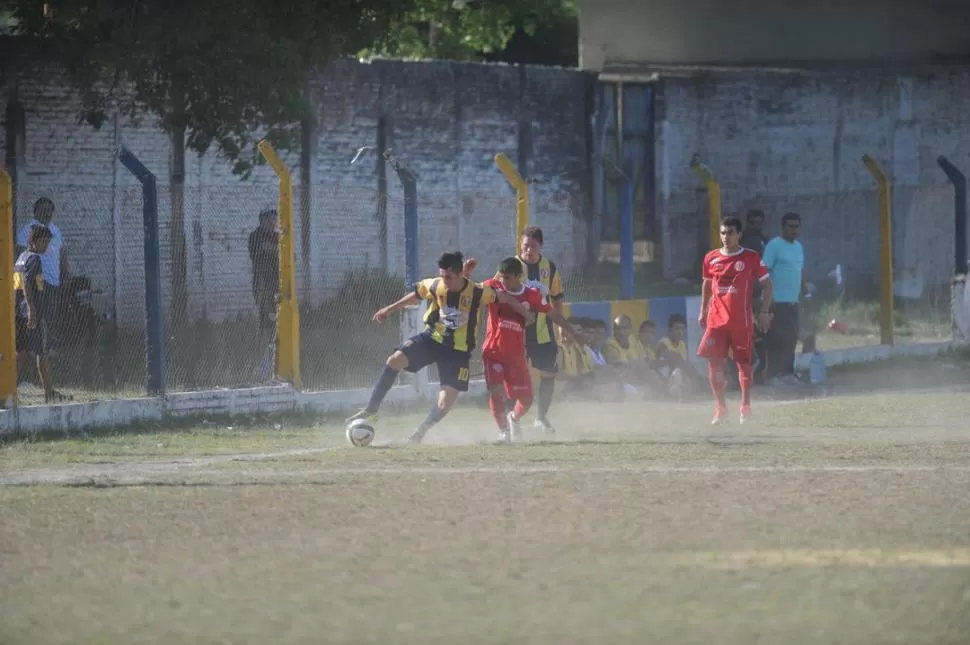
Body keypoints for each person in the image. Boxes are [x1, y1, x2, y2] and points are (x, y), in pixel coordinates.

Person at [347, 251, 534, 445]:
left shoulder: (479, 292)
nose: (445, 281)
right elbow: (416, 295)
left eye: (449, 277)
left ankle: (419, 433)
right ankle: (371, 410)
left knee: (445, 402)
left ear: (460, 274)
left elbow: (506, 298)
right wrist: (390, 309)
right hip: (433, 339)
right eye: (442, 275)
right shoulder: (435, 284)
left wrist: (527, 315)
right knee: (394, 360)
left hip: (458, 352)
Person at [481, 257, 578, 443]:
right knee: (495, 390)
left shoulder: (532, 295)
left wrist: (570, 329)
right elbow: (470, 289)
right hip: (493, 351)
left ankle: (513, 418)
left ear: (519, 277)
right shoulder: (492, 286)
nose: (503, 281)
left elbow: (552, 313)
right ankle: (503, 432)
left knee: (526, 400)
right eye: (501, 277)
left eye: (507, 277)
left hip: (516, 355)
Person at [698, 216, 773, 425]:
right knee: (714, 362)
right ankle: (720, 408)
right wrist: (703, 310)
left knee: (743, 363)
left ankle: (745, 407)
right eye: (722, 232)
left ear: (739, 234)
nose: (725, 237)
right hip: (716, 320)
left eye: (730, 232)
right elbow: (706, 285)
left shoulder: (750, 257)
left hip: (741, 321)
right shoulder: (710, 258)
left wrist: (765, 311)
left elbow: (767, 285)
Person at [510, 227, 565, 434]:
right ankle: (511, 420)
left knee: (549, 374)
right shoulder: (510, 265)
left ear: (541, 246)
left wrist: (561, 326)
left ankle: (541, 418)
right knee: (514, 377)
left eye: (533, 246)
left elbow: (557, 299)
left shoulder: (549, 267)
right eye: (525, 246)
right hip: (516, 333)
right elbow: (497, 294)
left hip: (543, 331)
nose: (528, 250)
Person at [16, 198, 69, 351]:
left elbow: (62, 252)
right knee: (37, 314)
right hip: (37, 281)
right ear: (36, 211)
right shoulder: (28, 230)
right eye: (43, 209)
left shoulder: (55, 229)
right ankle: (35, 348)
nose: (46, 213)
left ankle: (46, 347)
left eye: (49, 210)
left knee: (50, 315)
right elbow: (20, 256)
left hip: (54, 281)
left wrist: (66, 272)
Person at [762, 212, 806, 387]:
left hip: (792, 301)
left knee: (791, 338)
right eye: (790, 226)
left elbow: (799, 272)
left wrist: (804, 293)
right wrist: (766, 299)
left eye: (796, 226)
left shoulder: (798, 247)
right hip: (775, 301)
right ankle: (773, 375)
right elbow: (764, 272)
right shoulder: (774, 246)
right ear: (783, 227)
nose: (793, 230)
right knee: (776, 338)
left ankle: (788, 373)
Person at [14, 225, 56, 403]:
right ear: (35, 241)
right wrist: (31, 309)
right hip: (31, 313)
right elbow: (27, 284)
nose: (46, 245)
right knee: (41, 351)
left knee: (21, 352)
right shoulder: (34, 259)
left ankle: (8, 389)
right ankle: (49, 392)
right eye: (45, 241)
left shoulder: (20, 258)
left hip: (18, 312)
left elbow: (17, 284)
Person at [248, 209, 279, 381]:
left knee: (276, 328)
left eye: (274, 220)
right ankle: (260, 366)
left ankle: (274, 365)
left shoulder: (277, 236)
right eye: (268, 220)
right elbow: (267, 249)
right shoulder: (255, 236)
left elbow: (291, 256)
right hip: (263, 288)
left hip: (278, 288)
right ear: (262, 221)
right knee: (265, 327)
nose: (272, 223)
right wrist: (279, 248)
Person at [655, 313, 703, 396]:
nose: (680, 332)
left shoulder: (682, 344)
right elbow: (666, 363)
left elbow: (684, 363)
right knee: (679, 364)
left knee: (685, 367)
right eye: (677, 329)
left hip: (676, 375)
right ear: (670, 330)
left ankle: (698, 385)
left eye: (682, 329)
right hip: (663, 377)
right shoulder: (664, 342)